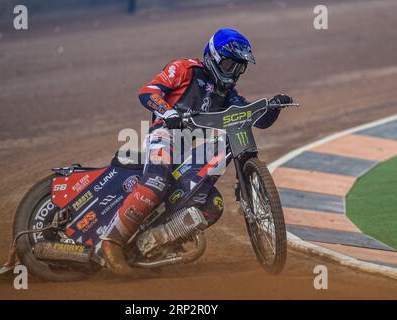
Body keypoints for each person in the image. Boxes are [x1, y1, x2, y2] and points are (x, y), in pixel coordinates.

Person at [99, 28, 293, 275]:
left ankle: (153, 245)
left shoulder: (228, 94)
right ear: (212, 56)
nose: (232, 72)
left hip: (189, 149)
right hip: (165, 135)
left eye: (239, 67)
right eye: (228, 63)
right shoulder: (185, 69)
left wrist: (273, 107)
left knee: (213, 204)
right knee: (157, 181)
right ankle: (111, 242)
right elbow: (148, 91)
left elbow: (256, 120)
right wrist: (168, 112)